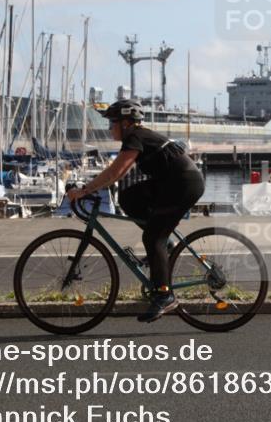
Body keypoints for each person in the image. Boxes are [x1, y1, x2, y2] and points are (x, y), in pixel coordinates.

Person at [66, 99, 205, 322]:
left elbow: (116, 172)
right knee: (128, 197)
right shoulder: (138, 137)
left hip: (183, 184)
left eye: (113, 122)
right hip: (171, 182)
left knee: (152, 237)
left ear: (127, 122)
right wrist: (92, 187)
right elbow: (118, 175)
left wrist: (85, 190)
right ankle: (164, 245)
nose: (110, 127)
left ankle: (164, 294)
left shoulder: (135, 137)